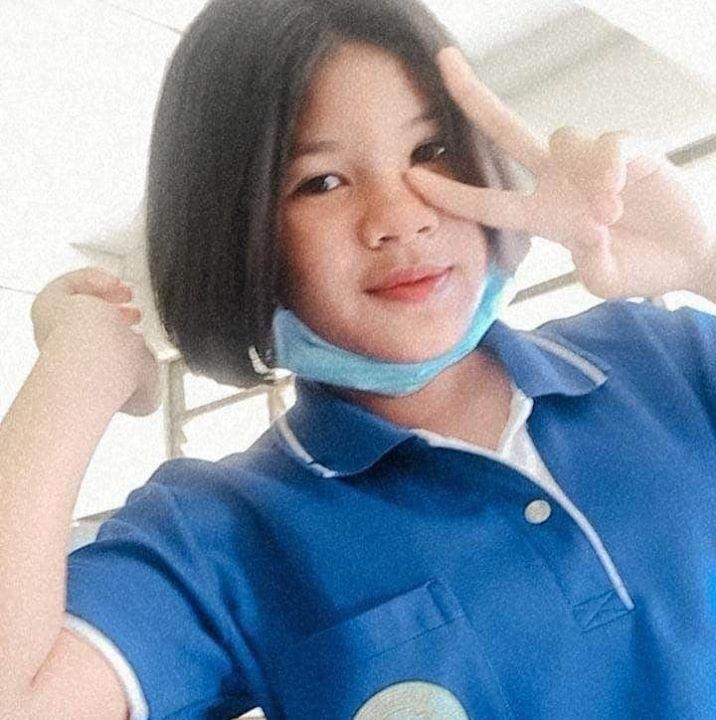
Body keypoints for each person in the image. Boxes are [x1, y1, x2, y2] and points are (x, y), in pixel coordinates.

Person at [1, 0, 715, 718]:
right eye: (322, 182)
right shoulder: (221, 533)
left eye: (429, 150)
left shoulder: (667, 357)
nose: (400, 218)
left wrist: (704, 261)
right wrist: (76, 374)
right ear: (239, 233)